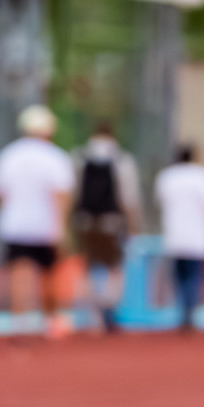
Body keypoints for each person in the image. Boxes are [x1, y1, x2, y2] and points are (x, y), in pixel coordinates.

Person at [0, 105, 76, 340]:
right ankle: (50, 322)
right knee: (48, 274)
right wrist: (62, 227)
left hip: (14, 224)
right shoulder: (55, 157)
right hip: (46, 226)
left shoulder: (9, 154)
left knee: (19, 272)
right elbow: (62, 195)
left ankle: (19, 322)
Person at [74, 121, 142, 332]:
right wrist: (133, 226)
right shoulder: (122, 159)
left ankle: (90, 317)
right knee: (114, 268)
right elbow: (129, 197)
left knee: (88, 268)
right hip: (111, 222)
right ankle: (109, 312)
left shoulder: (79, 156)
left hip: (84, 221)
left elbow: (72, 191)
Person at [155, 144, 204, 331]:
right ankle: (190, 314)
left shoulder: (167, 176)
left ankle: (183, 314)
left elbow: (161, 202)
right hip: (198, 237)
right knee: (195, 277)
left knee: (180, 277)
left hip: (175, 236)